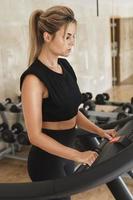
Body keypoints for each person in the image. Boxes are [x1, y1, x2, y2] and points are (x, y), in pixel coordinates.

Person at [20, 5, 116, 200]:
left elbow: (72, 112)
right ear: (47, 37)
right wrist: (77, 155)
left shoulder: (64, 66)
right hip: (47, 163)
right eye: (67, 37)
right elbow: (35, 136)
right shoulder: (33, 80)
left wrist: (99, 131)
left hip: (67, 156)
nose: (72, 43)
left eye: (73, 36)